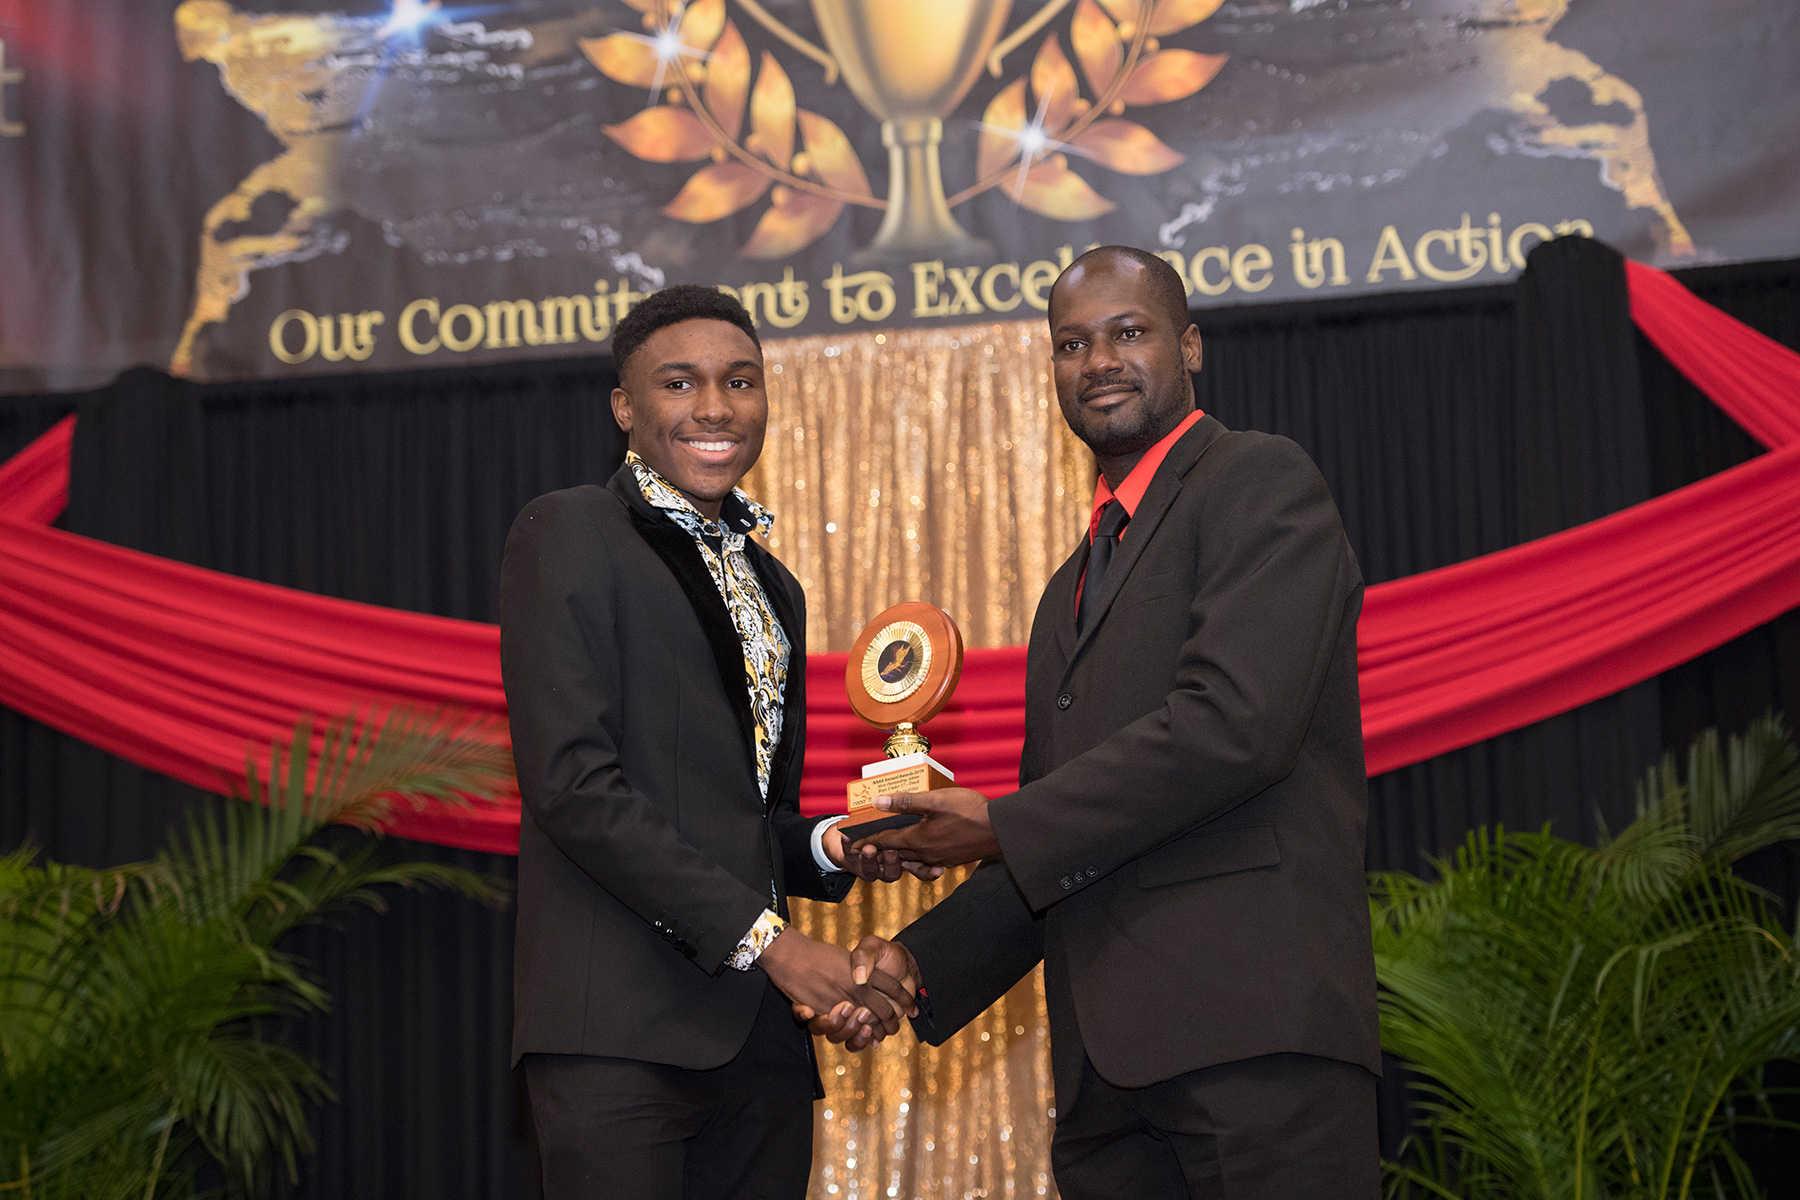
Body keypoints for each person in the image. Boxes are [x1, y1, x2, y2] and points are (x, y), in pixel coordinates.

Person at [811, 247, 1382, 1198]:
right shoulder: (1067, 591)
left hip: (1254, 1051)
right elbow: (1060, 832)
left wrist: (999, 825)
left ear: (1189, 346)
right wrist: (913, 962)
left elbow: (1234, 726)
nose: (1099, 361)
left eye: (1128, 332)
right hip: (1106, 1088)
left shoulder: (1258, 481)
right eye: (1072, 344)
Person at [500, 284, 919, 1200]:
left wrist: (832, 844)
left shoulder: (775, 583)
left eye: (740, 380)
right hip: (619, 1033)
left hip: (760, 1042)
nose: (716, 407)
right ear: (625, 407)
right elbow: (574, 786)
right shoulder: (569, 530)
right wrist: (776, 946)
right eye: (680, 383)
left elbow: (747, 815)